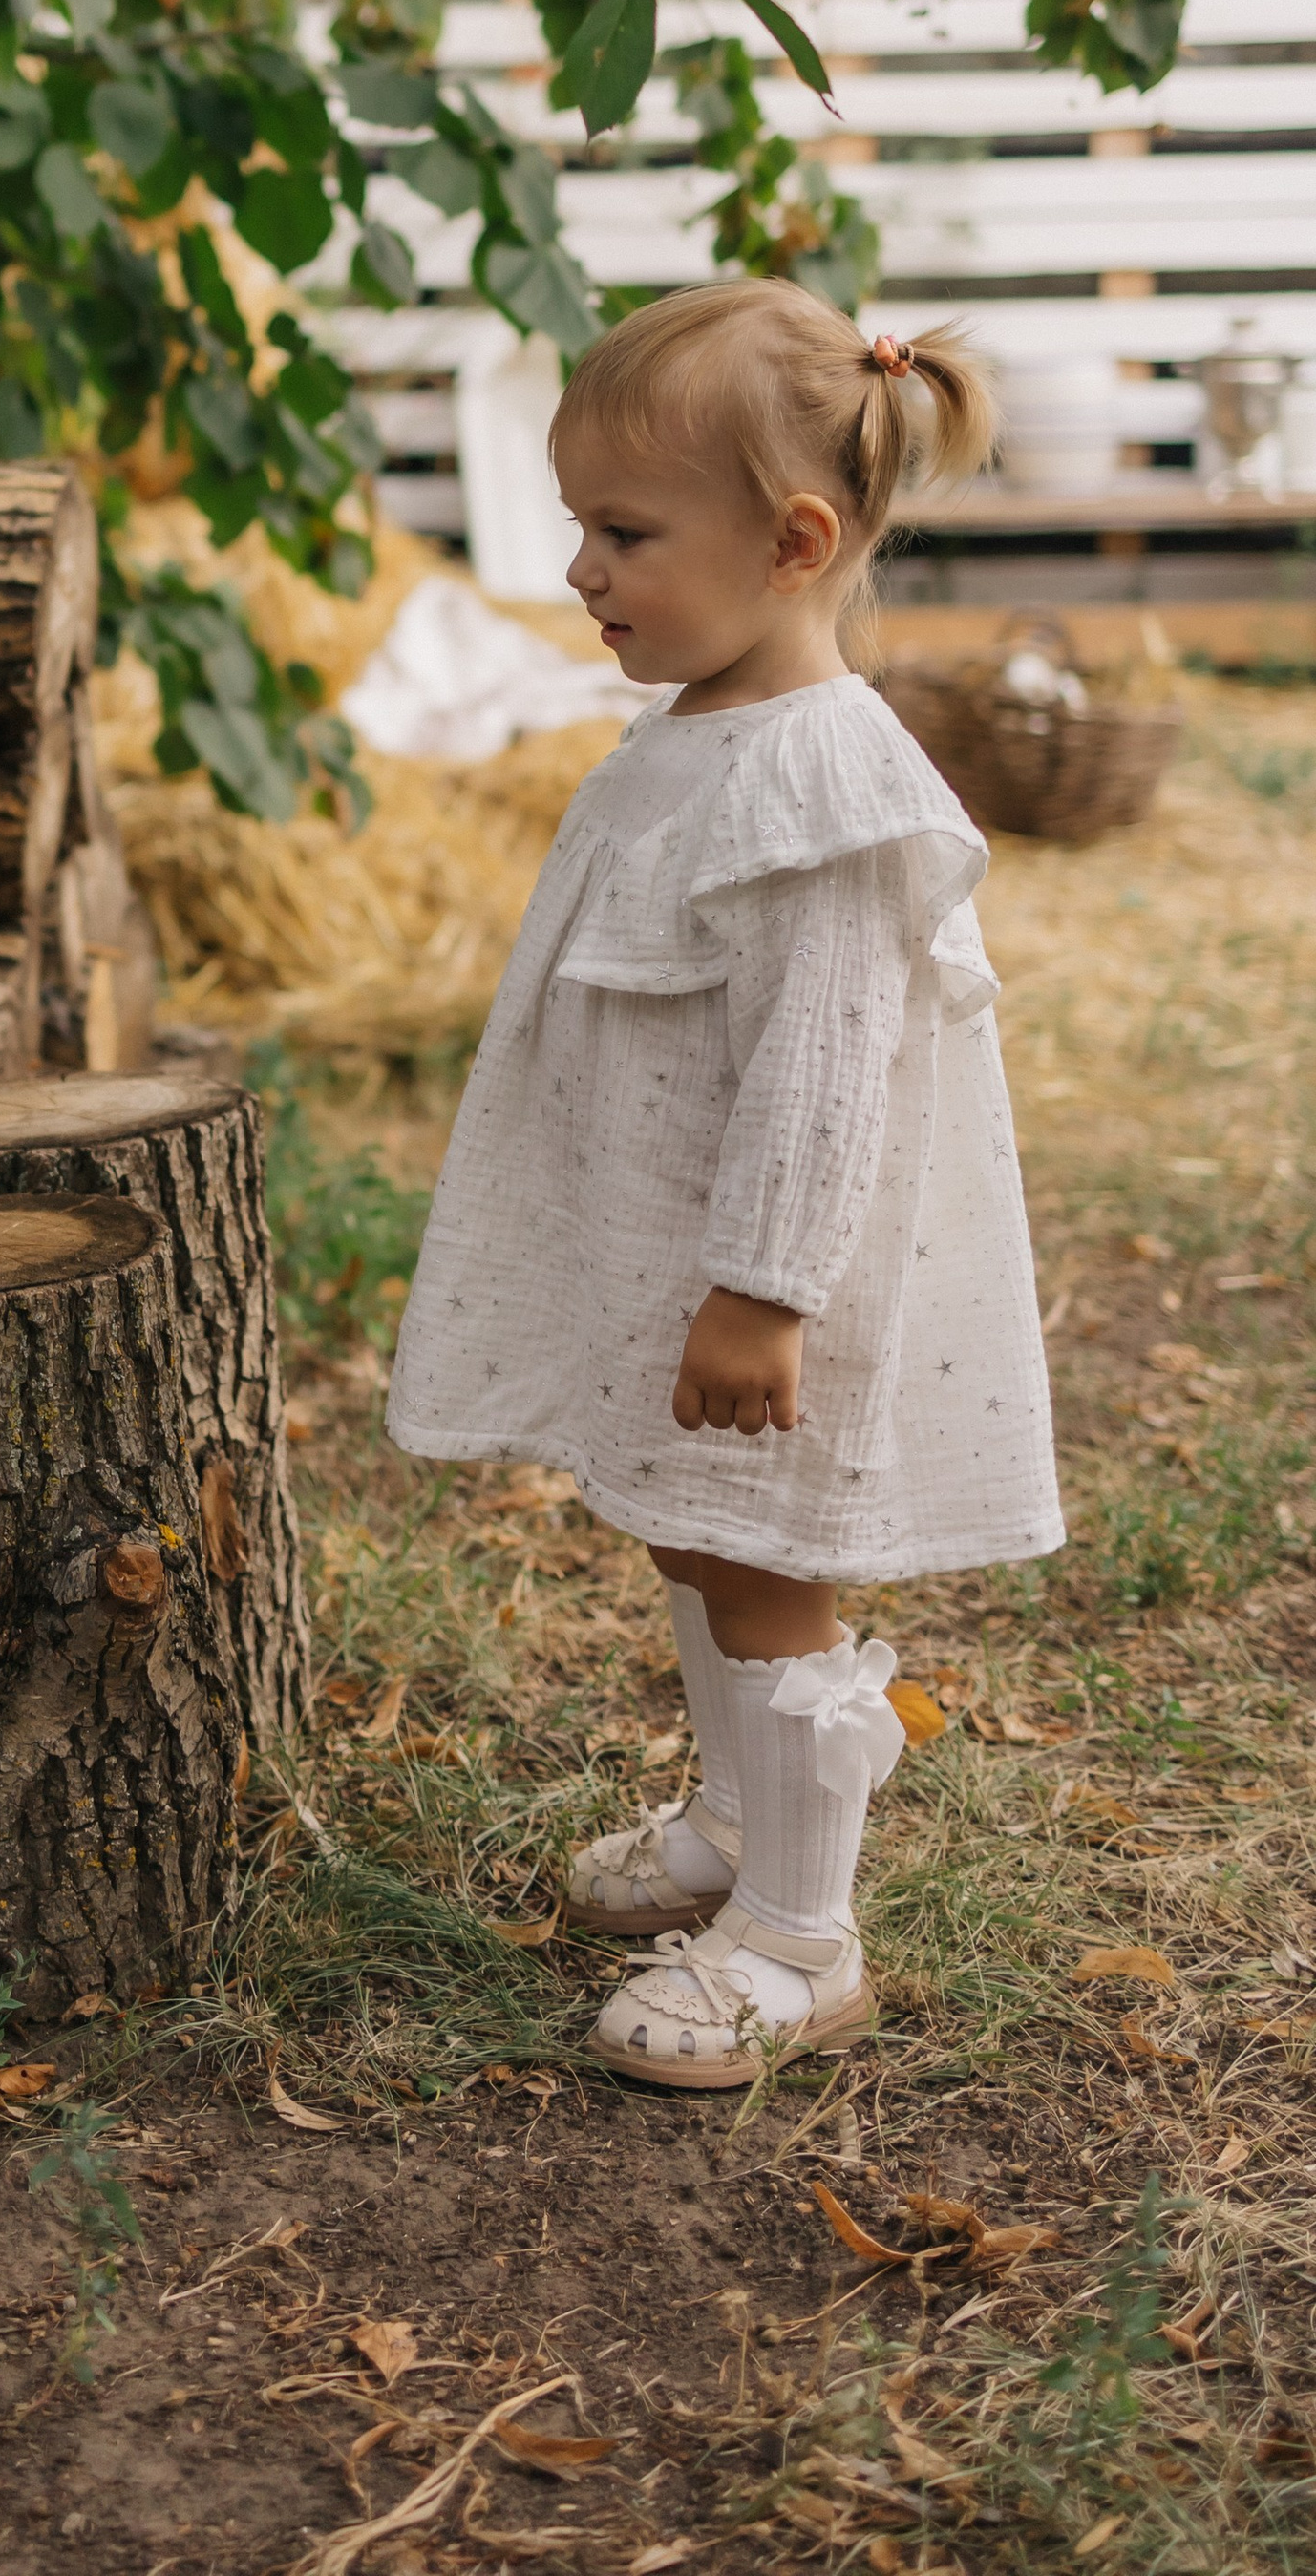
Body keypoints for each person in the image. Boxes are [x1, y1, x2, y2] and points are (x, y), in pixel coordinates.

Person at [387, 277, 1061, 2088]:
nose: (585, 574)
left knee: (765, 1568)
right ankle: (746, 1817)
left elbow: (831, 1069)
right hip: (666, 1255)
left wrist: (766, 1290)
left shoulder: (827, 781)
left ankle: (801, 1929)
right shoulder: (698, 729)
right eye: (578, 530)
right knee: (697, 1540)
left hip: (765, 1290)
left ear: (795, 540)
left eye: (623, 534)